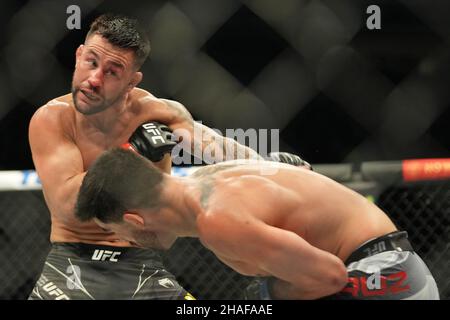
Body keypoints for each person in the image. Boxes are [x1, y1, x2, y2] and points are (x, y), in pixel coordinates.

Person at [28, 13, 267, 300]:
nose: (94, 79)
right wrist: (133, 151)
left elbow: (217, 147)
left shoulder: (159, 113)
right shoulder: (53, 119)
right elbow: (68, 205)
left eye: (112, 72)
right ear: (79, 55)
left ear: (132, 82)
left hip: (143, 265)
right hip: (72, 266)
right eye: (91, 62)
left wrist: (271, 167)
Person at [75, 148, 440, 300]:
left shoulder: (218, 220)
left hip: (381, 280)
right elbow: (298, 170)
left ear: (133, 220)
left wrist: (266, 294)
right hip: (395, 270)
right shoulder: (214, 174)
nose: (127, 242)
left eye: (117, 233)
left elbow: (329, 277)